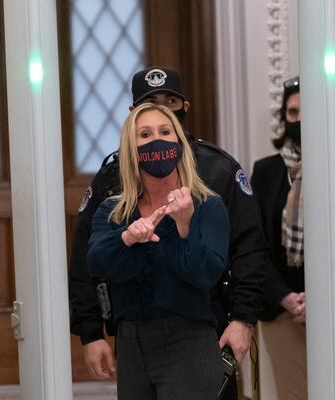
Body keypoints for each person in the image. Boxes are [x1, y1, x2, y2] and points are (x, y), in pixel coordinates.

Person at [69, 66, 268, 399]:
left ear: (183, 109)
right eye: (150, 106)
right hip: (132, 336)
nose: (161, 115)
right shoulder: (112, 183)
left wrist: (243, 318)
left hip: (205, 326)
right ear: (132, 117)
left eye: (170, 103)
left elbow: (248, 247)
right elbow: (86, 259)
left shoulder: (217, 171)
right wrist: (90, 331)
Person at [87, 103, 228, 398]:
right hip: (131, 345)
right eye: (145, 134)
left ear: (179, 141)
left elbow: (205, 275)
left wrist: (185, 226)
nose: (157, 141)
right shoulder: (113, 211)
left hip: (188, 342)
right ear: (131, 148)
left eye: (165, 132)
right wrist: (127, 238)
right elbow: (97, 263)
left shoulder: (207, 206)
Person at [251, 76, 308, 399]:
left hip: (333, 308)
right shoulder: (267, 171)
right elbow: (255, 245)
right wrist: (287, 298)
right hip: (282, 310)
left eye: (305, 111)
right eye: (292, 112)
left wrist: (321, 296)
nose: (298, 120)